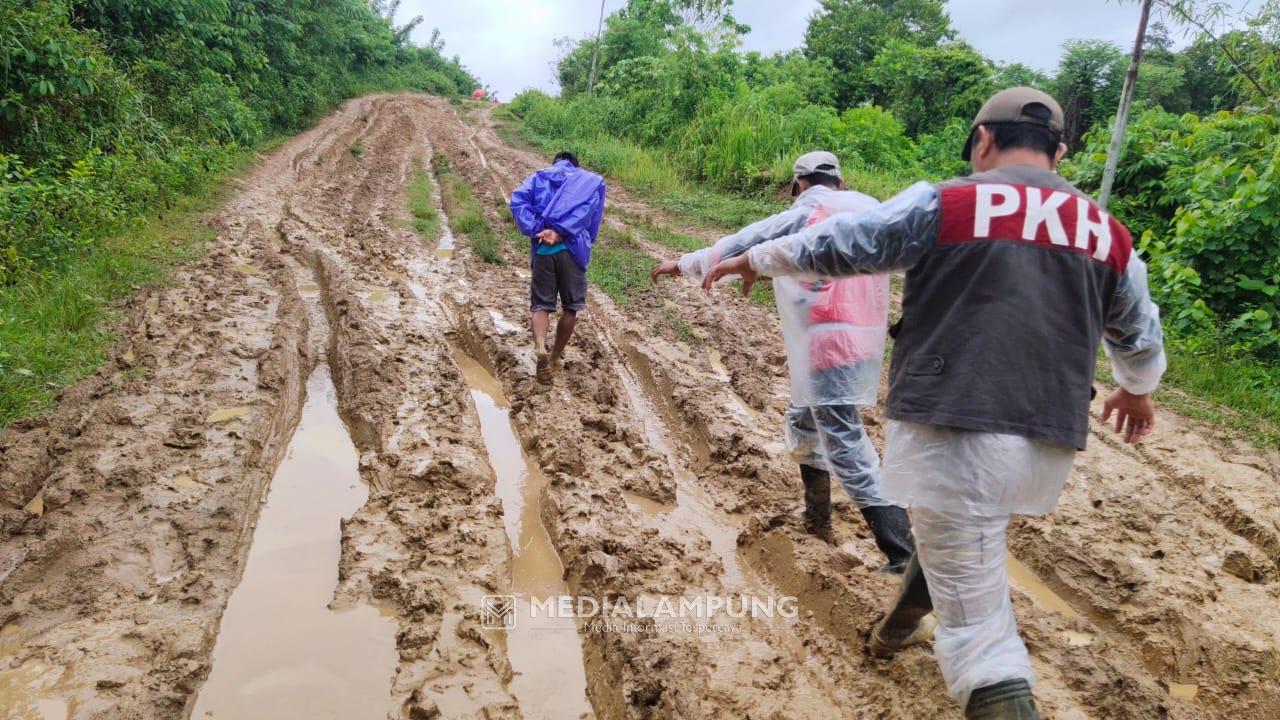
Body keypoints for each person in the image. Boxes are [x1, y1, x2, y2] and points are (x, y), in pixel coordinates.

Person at [701, 88, 1167, 718]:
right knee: (965, 529)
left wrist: (753, 259)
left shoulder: (947, 203)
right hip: (1048, 436)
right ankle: (899, 622)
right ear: (1059, 153)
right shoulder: (1105, 232)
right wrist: (1136, 386)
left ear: (981, 141)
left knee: (980, 632)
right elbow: (1136, 327)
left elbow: (845, 243)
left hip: (956, 420)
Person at [651, 151, 914, 573]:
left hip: (826, 341)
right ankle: (818, 520)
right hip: (863, 341)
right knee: (806, 420)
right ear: (840, 183)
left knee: (845, 441)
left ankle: (901, 555)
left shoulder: (808, 210)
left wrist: (679, 265)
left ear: (798, 185)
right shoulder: (871, 208)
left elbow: (739, 245)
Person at [509, 151, 607, 384]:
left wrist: (536, 229)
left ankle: (541, 347)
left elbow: (517, 201)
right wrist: (563, 234)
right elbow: (589, 219)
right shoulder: (588, 182)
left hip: (543, 248)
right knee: (570, 307)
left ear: (555, 163)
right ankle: (554, 357)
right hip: (573, 252)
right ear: (575, 164)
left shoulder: (538, 178)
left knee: (541, 305)